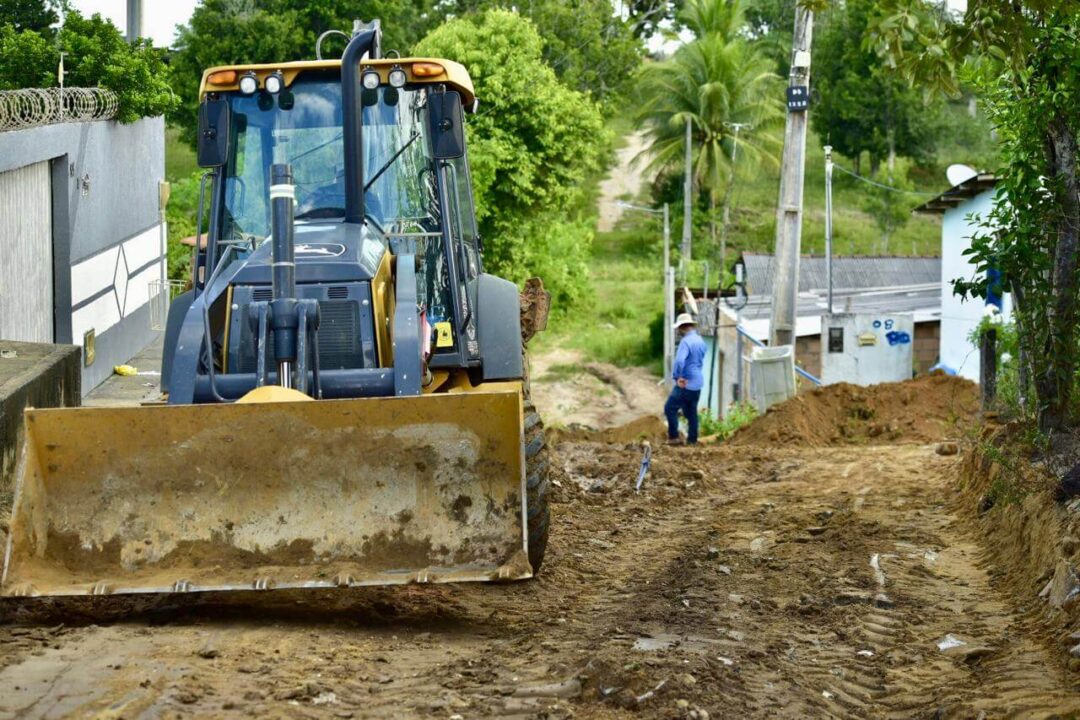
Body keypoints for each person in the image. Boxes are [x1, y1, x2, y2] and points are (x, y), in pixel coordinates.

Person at [665, 313, 706, 445]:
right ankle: (692, 440)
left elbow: (679, 361)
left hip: (686, 381)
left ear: (682, 327)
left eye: (678, 328)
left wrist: (677, 377)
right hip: (698, 381)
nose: (678, 331)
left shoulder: (685, 342)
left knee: (670, 407)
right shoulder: (700, 340)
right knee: (691, 412)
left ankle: (673, 437)